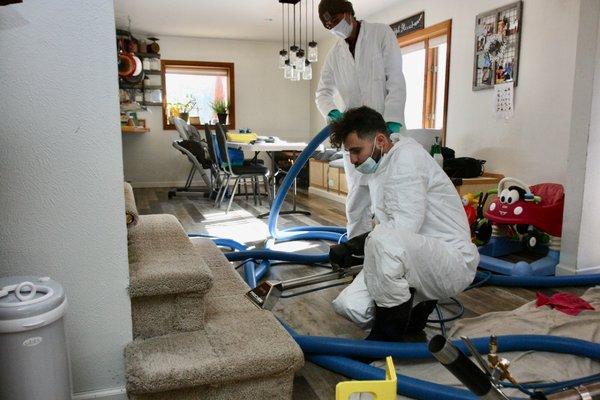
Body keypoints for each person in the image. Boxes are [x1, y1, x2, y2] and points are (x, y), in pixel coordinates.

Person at [327, 106, 479, 341]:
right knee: (351, 306)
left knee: (382, 243)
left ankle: (387, 337)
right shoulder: (382, 164)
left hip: (449, 259)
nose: (354, 160)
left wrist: (353, 247)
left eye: (356, 151)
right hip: (417, 253)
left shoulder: (407, 159)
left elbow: (399, 231)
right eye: (349, 153)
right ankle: (414, 313)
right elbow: (392, 231)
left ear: (379, 140)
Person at [316, 0, 406, 239]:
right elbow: (322, 93)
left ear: (348, 13)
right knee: (358, 195)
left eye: (335, 21)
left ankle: (393, 246)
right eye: (327, 25)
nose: (332, 27)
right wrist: (333, 114)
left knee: (390, 194)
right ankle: (357, 247)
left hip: (385, 131)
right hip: (356, 134)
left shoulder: (381, 34)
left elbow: (395, 79)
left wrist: (393, 120)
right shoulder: (335, 54)